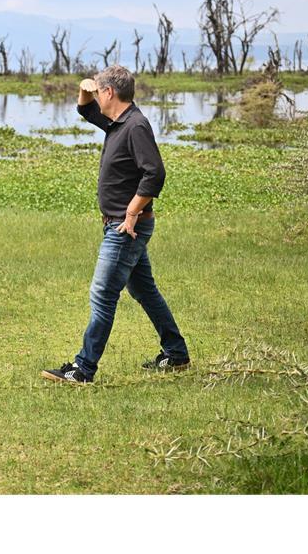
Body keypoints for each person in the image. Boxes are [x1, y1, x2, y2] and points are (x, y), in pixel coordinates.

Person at [41, 65, 190, 384]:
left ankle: (83, 369)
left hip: (125, 228)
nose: (95, 95)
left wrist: (133, 212)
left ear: (109, 92)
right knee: (145, 291)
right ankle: (176, 354)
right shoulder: (116, 121)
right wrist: (85, 88)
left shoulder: (135, 125)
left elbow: (155, 173)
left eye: (98, 90)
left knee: (102, 294)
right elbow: (84, 109)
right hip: (119, 224)